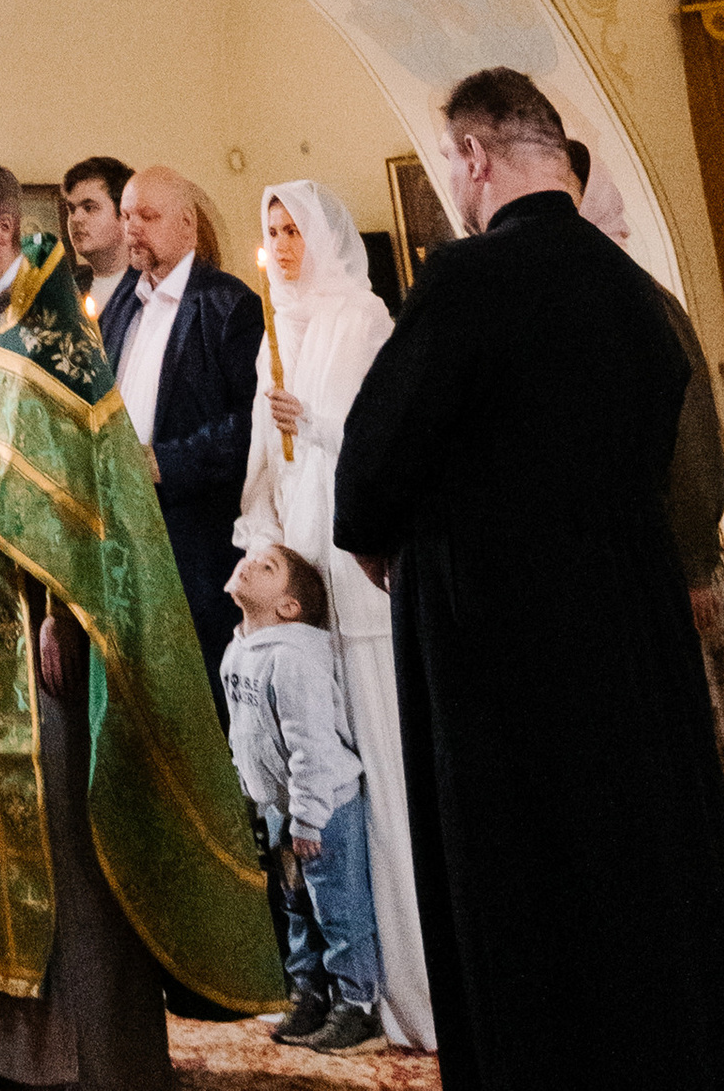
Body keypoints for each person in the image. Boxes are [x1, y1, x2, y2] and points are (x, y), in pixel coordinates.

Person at [333, 65, 724, 1089]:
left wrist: (373, 533)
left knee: (522, 892)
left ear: (475, 157)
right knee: (639, 867)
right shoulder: (634, 293)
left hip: (495, 639)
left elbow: (377, 453)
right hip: (628, 627)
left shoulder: (466, 280)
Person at [0, 166, 284, 1083]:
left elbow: (83, 492)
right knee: (4, 835)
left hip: (48, 629)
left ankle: (96, 1055)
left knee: (69, 838)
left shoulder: (53, 328)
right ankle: (19, 1055)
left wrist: (68, 611)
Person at [569, 141, 724, 895]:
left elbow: (690, 438)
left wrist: (697, 561)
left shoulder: (638, 298)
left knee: (713, 764)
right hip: (638, 575)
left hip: (678, 572)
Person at [235, 185, 433, 1049]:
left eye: (292, 229)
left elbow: (387, 445)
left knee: (375, 775)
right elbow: (260, 465)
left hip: (353, 577)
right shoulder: (274, 333)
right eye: (270, 230)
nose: (279, 245)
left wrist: (313, 425)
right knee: (312, 796)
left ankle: (403, 981)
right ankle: (333, 978)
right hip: (298, 582)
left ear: (322, 236)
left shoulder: (362, 318)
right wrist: (260, 544)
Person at [98, 165, 264, 693]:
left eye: (147, 216)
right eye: (125, 216)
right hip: (127, 533)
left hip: (198, 539)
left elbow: (249, 425)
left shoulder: (227, 305)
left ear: (188, 225)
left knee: (203, 695)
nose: (132, 229)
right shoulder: (120, 305)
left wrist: (162, 462)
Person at [221, 542, 382, 1055]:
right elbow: (244, 735)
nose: (249, 562)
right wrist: (252, 797)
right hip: (279, 807)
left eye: (267, 567)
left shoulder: (293, 660)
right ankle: (310, 992)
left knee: (338, 908)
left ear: (288, 607)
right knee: (296, 906)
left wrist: (309, 818)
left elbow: (311, 745)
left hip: (323, 807)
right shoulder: (238, 651)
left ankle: (358, 1007)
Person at [59, 156, 134, 319]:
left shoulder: (149, 288)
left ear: (124, 215)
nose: (75, 218)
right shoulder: (65, 291)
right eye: (71, 209)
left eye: (90, 208)